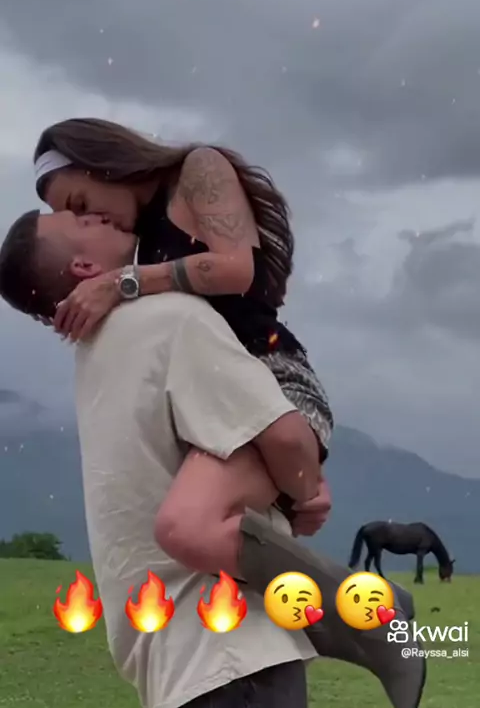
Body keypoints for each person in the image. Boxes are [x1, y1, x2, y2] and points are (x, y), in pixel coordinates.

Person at [0, 209, 426, 708]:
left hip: (166, 668)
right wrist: (302, 490)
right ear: (83, 266)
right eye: (80, 219)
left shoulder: (94, 358)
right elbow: (285, 438)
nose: (97, 214)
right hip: (233, 656)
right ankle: (371, 610)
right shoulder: (168, 319)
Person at [32, 118, 334, 521]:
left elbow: (236, 268)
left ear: (103, 162)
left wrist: (121, 282)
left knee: (188, 525)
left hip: (273, 381)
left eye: (82, 204)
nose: (94, 219)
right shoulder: (140, 243)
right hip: (212, 406)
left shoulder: (199, 170)